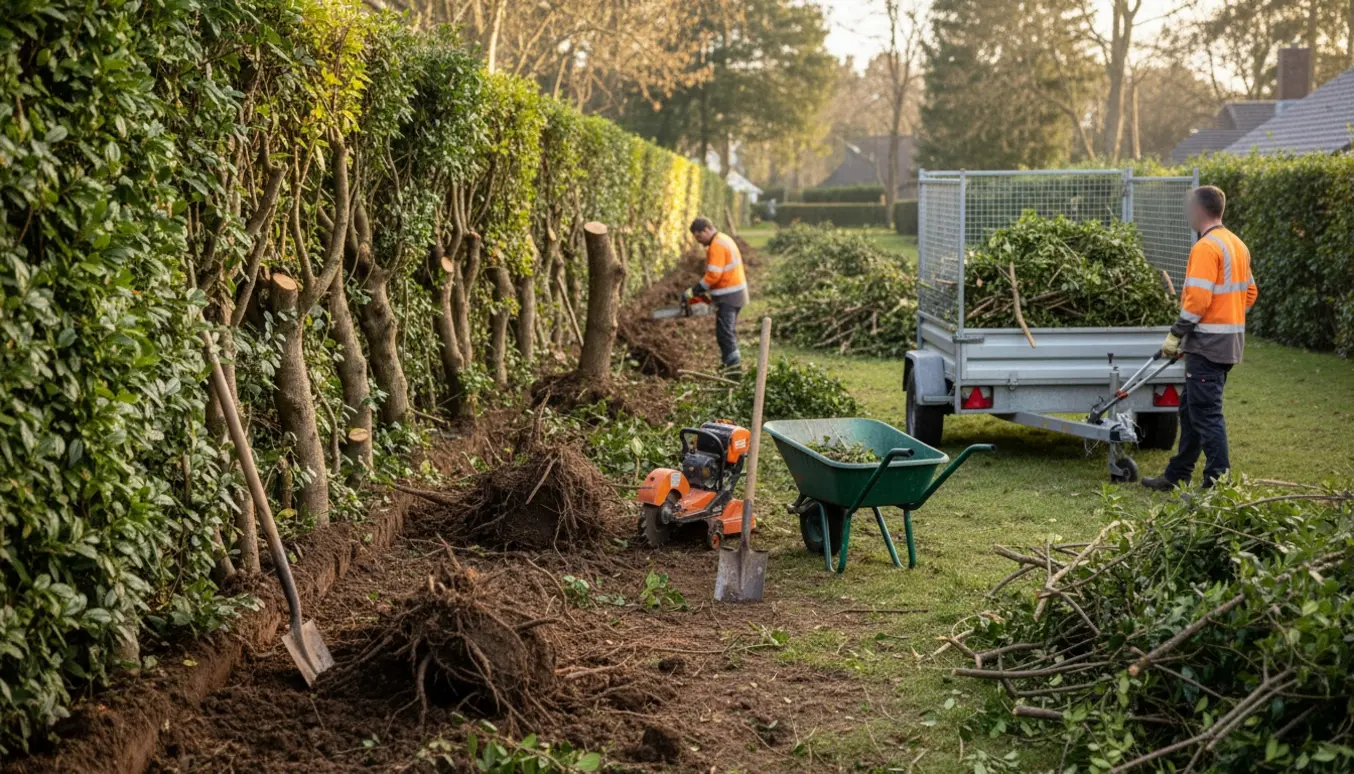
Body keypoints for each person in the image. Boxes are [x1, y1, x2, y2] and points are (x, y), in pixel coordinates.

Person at [1142, 185, 1258, 491]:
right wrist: (1228, 314)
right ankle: (1177, 474)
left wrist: (1176, 333)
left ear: (1198, 209)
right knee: (1190, 410)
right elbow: (1250, 292)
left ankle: (1216, 483)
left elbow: (1197, 301)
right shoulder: (1236, 244)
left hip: (1207, 346)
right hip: (1227, 344)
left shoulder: (1206, 248)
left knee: (1206, 415)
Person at [683, 216, 749, 378]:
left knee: (725, 334)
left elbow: (713, 275)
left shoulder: (716, 245)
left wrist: (695, 290)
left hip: (730, 295)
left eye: (699, 236)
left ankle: (734, 371)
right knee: (725, 332)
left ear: (706, 230)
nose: (698, 241)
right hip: (733, 293)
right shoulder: (723, 239)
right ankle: (728, 365)